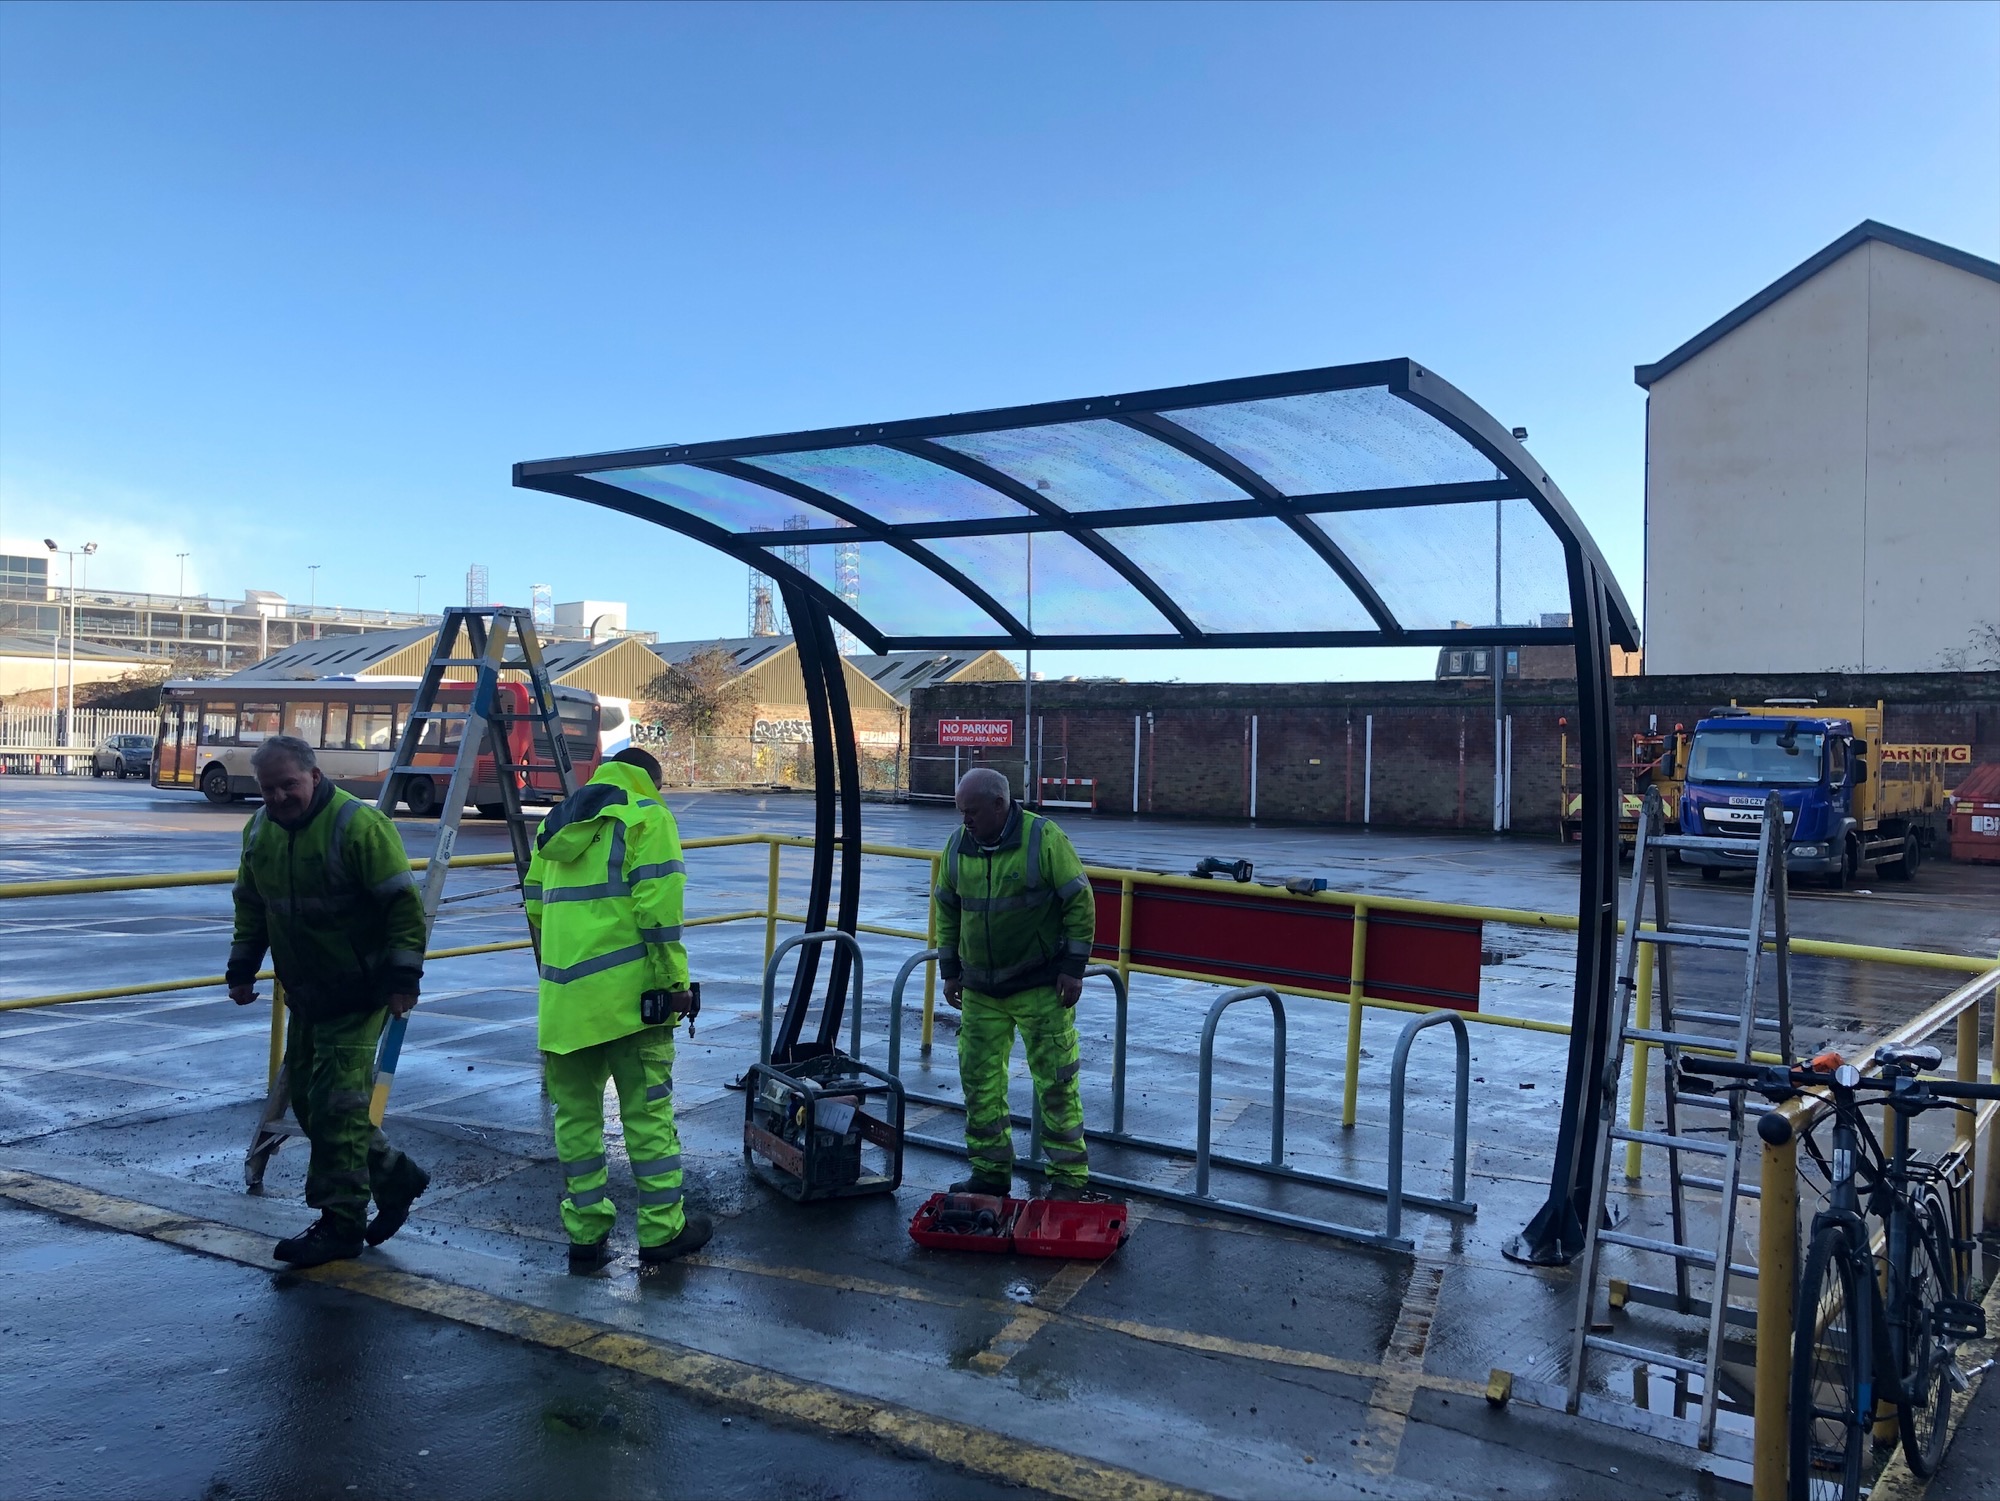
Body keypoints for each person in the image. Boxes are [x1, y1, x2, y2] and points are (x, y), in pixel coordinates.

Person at [226, 735, 431, 1268]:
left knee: (339, 1110)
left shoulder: (358, 826)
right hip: (307, 993)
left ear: (314, 776)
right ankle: (397, 1176)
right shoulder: (259, 832)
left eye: (287, 785)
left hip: (358, 991)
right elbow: (252, 906)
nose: (276, 798)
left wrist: (403, 979)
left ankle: (340, 1224)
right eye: (267, 789)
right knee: (314, 1108)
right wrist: (242, 969)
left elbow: (402, 909)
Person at [525, 746, 711, 1271]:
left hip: (565, 1006)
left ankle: (585, 1235)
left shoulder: (555, 825)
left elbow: (535, 908)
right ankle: (660, 1231)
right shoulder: (646, 816)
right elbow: (659, 915)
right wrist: (676, 988)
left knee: (577, 1123)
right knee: (648, 1118)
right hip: (634, 1004)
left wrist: (562, 979)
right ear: (652, 778)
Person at [933, 767, 1097, 1199]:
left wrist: (1073, 969)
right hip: (982, 990)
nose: (965, 821)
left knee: (1057, 1084)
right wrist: (950, 970)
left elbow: (1079, 902)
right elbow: (947, 910)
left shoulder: (1043, 839)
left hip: (1041, 985)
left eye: (971, 812)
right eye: (960, 812)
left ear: (999, 806)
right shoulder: (956, 847)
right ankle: (989, 1172)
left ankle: (1067, 1181)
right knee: (979, 1082)